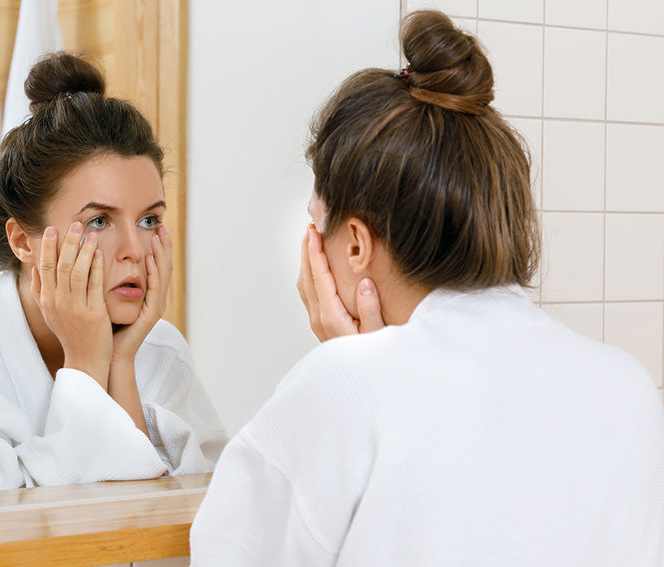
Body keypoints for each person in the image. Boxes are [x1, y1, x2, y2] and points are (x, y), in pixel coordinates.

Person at [191, 10, 664, 566]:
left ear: (355, 245)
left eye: (317, 223)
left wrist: (353, 364)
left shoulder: (344, 387)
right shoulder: (627, 388)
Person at [0, 52, 227, 500]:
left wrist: (119, 363)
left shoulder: (161, 352)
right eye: (99, 221)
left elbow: (176, 527)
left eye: (149, 220)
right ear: (22, 241)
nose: (135, 250)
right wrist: (87, 364)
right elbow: (4, 542)